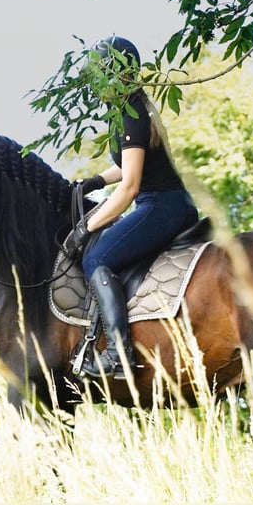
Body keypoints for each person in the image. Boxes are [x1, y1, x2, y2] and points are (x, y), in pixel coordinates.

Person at [64, 36, 199, 380]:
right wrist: (95, 180)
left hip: (160, 204)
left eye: (98, 74)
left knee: (96, 257)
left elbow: (130, 187)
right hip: (168, 201)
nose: (94, 84)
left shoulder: (129, 113)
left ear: (113, 73)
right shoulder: (133, 108)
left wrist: (87, 227)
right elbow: (128, 166)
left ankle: (117, 356)